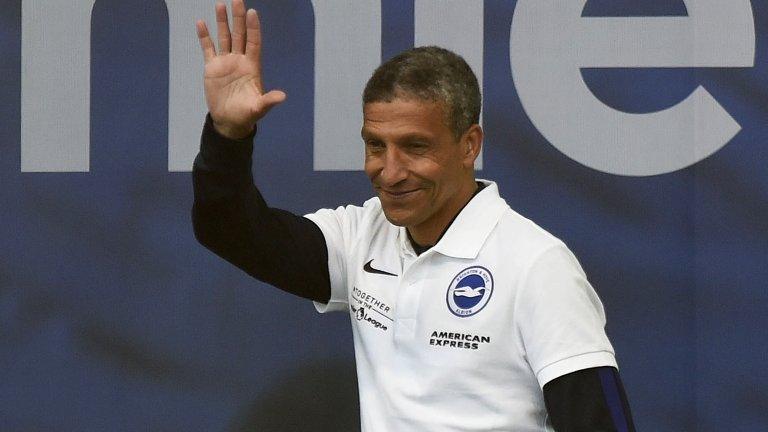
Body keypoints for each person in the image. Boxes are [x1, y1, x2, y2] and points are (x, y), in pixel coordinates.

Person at [192, 1, 636, 430]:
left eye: (415, 147)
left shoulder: (537, 266)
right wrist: (229, 134)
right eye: (375, 146)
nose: (390, 171)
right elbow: (230, 230)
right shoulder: (360, 237)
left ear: (470, 144)